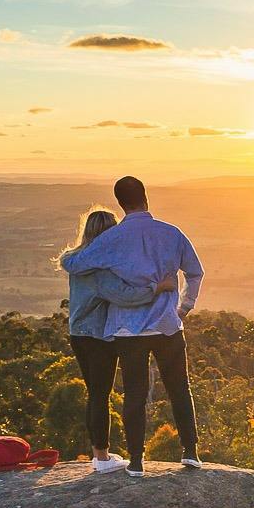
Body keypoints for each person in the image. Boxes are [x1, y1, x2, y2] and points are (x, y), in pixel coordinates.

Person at [59, 175, 205, 477]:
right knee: (180, 388)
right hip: (167, 324)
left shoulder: (111, 239)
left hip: (129, 330)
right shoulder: (172, 233)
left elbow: (73, 265)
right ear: (145, 197)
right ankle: (190, 453)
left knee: (135, 395)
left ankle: (137, 461)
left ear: (121, 203)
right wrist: (184, 307)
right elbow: (195, 272)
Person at [58, 207, 164, 473]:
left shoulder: (78, 260)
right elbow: (124, 296)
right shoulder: (99, 269)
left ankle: (99, 454)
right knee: (100, 394)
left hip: (79, 333)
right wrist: (157, 288)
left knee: (95, 393)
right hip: (97, 336)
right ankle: (102, 458)